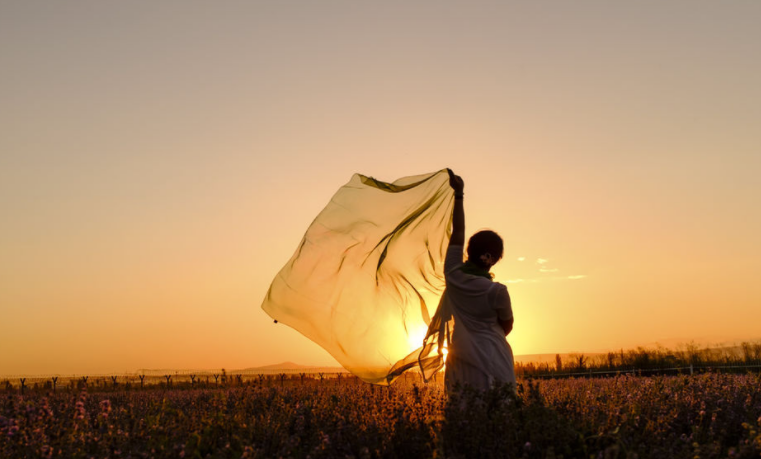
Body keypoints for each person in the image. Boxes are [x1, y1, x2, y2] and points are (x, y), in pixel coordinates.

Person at [442, 169, 515, 392]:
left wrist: (459, 194)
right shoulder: (497, 292)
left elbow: (458, 231)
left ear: (469, 251)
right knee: (500, 417)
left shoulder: (453, 274)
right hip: (495, 357)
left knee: (463, 416)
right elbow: (507, 325)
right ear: (493, 259)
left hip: (460, 359)